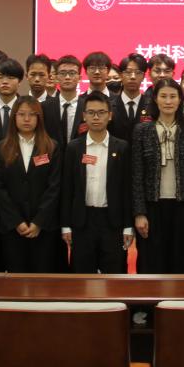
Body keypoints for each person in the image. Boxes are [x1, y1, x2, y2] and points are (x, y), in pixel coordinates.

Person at [131, 79, 184, 274]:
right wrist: (139, 213)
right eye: (163, 96)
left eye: (173, 96)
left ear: (180, 99)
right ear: (155, 99)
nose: (168, 101)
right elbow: (137, 175)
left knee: (182, 263)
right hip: (152, 207)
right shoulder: (142, 131)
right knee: (151, 263)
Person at [60, 91, 134, 274]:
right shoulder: (74, 148)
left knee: (114, 273)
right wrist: (66, 225)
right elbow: (67, 189)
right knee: (81, 274)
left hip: (112, 221)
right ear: (84, 116)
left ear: (110, 115)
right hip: (82, 221)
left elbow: (126, 190)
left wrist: (128, 226)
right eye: (91, 112)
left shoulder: (122, 147)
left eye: (101, 112)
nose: (96, 117)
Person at [0, 96, 62, 272]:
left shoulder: (51, 147)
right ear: (14, 117)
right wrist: (17, 222)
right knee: (16, 276)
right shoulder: (2, 147)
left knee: (42, 276)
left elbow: (54, 187)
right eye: (21, 114)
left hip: (44, 226)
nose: (27, 119)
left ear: (39, 118)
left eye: (32, 114)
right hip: (12, 226)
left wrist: (38, 222)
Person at [44, 55, 85, 145]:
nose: (67, 77)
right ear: (56, 78)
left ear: (79, 78)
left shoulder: (87, 106)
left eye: (72, 73)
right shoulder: (44, 107)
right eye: (62, 73)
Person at [110, 53, 150, 142]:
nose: (133, 77)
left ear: (143, 76)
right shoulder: (109, 106)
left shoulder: (152, 106)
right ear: (121, 75)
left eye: (138, 73)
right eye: (128, 72)